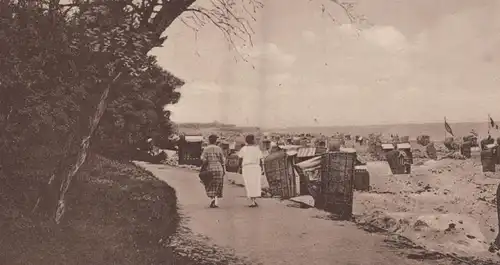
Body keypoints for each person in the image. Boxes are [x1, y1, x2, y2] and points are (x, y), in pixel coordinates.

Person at [200, 134, 226, 208]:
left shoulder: (206, 149)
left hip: (210, 168)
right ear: (216, 141)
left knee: (209, 184)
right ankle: (216, 200)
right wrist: (224, 170)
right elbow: (223, 160)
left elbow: (203, 159)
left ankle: (213, 200)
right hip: (219, 168)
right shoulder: (219, 149)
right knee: (218, 185)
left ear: (209, 140)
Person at [238, 134, 263, 207]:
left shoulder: (243, 149)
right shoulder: (257, 148)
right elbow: (260, 159)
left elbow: (240, 159)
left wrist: (240, 167)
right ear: (252, 140)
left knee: (249, 184)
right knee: (255, 183)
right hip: (255, 167)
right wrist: (261, 168)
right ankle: (253, 200)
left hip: (247, 167)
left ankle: (252, 201)